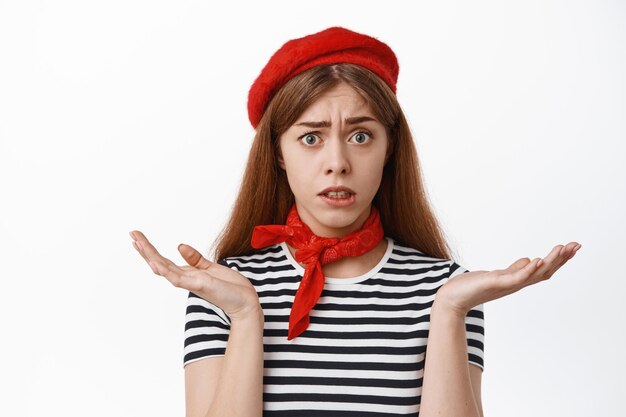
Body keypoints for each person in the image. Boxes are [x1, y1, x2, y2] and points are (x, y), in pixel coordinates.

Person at [129, 26, 581, 417]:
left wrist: (449, 310)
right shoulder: (225, 290)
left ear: (390, 149)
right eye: (311, 137)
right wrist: (247, 316)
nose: (337, 162)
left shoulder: (447, 290)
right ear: (278, 154)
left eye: (361, 136)